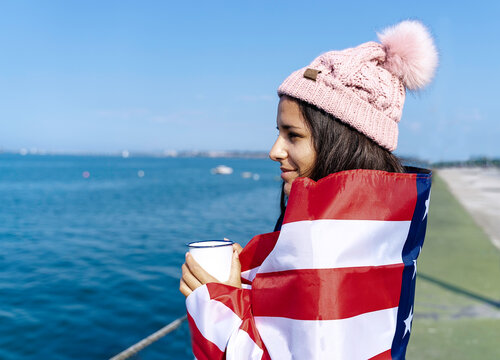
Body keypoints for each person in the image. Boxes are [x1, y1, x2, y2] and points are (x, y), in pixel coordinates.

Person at [180, 20, 438, 359]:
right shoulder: (372, 238)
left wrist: (219, 302)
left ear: (343, 141)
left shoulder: (325, 253)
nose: (274, 150)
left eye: (293, 135)